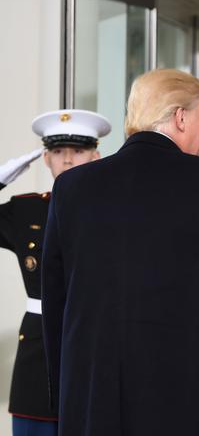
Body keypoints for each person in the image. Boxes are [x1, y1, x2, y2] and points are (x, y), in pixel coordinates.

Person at [41, 69, 199, 436]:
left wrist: (65, 396)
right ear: (179, 116)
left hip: (91, 395)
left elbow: (56, 302)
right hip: (185, 394)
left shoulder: (71, 188)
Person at [0, 109, 110, 436]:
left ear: (96, 156)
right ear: (46, 158)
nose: (68, 160)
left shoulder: (116, 210)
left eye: (78, 151)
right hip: (39, 350)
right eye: (59, 152)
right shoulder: (26, 210)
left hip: (97, 343)